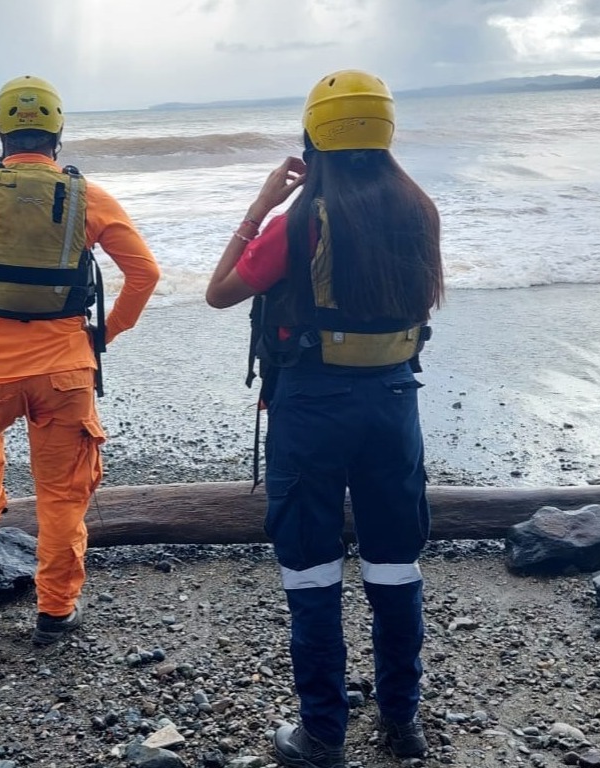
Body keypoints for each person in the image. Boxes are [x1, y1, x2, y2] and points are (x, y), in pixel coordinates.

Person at [205, 70, 444, 766]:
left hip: (311, 409)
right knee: (396, 566)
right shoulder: (419, 211)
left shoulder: (299, 221)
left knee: (311, 571)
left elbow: (220, 293)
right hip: (395, 405)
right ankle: (403, 723)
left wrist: (258, 207)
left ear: (316, 136)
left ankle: (323, 735)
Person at [0, 75, 160, 646]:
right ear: (57, 132)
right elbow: (145, 275)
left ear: (1, 132)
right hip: (67, 372)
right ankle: (55, 613)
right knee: (62, 496)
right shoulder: (89, 195)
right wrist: (104, 335)